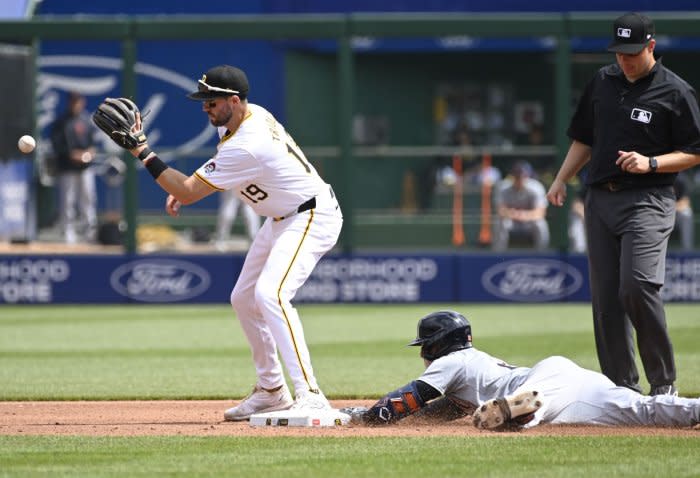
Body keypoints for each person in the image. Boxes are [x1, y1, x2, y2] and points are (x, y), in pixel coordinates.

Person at [109, 65, 343, 420]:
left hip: (310, 215)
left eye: (212, 101)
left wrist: (142, 151)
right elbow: (210, 172)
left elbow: (189, 191)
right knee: (243, 298)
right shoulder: (248, 117)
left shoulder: (249, 143)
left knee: (272, 294)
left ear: (234, 101)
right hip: (281, 217)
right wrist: (186, 186)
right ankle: (271, 391)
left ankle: (310, 393)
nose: (206, 107)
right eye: (203, 100)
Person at [546, 12, 700, 396]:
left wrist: (651, 163)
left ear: (651, 46)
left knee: (636, 286)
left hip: (648, 199)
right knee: (606, 299)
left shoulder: (675, 91)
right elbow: (584, 137)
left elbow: (694, 151)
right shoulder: (602, 81)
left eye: (633, 52)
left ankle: (663, 384)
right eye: (620, 52)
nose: (625, 60)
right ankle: (621, 389)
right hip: (600, 199)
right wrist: (562, 178)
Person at [346, 310, 700, 430]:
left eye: (425, 345)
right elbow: (437, 409)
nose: (423, 353)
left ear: (437, 345)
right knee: (643, 410)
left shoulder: (451, 362)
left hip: (543, 384)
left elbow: (409, 398)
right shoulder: (470, 370)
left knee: (527, 407)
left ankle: (519, 411)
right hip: (571, 388)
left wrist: (366, 418)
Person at [49, 91, 98, 244]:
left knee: (88, 199)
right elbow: (58, 146)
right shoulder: (61, 122)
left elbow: (92, 144)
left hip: (85, 168)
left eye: (78, 101)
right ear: (69, 102)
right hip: (67, 168)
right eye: (73, 101)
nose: (76, 104)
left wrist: (88, 154)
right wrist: (73, 155)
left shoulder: (86, 120)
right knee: (67, 201)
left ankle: (90, 231)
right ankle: (68, 232)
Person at [492, 160, 549, 251]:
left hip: (529, 222)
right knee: (500, 222)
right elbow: (500, 210)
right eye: (517, 175)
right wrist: (514, 214)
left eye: (523, 175)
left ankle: (541, 254)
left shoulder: (536, 187)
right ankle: (498, 255)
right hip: (512, 222)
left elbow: (541, 212)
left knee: (540, 224)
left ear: (528, 175)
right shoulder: (503, 187)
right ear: (512, 176)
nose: (520, 177)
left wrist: (524, 215)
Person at [672, 172, 694, 251]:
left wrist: (670, 208)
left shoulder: (681, 178)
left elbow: (685, 202)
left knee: (686, 214)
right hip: (659, 213)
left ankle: (687, 251)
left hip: (675, 213)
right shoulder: (657, 177)